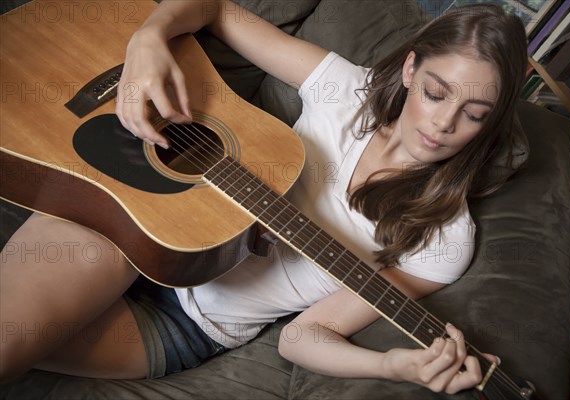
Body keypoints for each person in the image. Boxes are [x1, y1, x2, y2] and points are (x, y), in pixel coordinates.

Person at [0, 0, 527, 395]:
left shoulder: (445, 241)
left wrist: (394, 366)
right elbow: (212, 7)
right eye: (436, 93)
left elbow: (303, 337)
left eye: (474, 114)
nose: (443, 123)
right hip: (135, 222)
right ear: (410, 70)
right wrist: (150, 37)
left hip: (182, 324)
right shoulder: (346, 88)